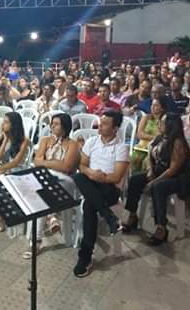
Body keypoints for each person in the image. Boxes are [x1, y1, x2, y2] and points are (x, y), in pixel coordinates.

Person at [72, 111, 130, 278]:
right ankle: (109, 217)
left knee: (89, 204)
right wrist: (92, 173)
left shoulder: (121, 147)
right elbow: (82, 165)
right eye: (100, 122)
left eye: (105, 124)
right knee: (79, 178)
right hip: (92, 182)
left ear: (115, 129)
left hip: (110, 188)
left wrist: (100, 177)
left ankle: (85, 257)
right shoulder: (92, 141)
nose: (100, 126)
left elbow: (116, 177)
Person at [122, 114, 190, 244]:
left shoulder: (178, 143)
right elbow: (149, 156)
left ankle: (161, 227)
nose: (159, 124)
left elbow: (173, 169)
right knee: (135, 180)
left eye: (162, 122)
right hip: (158, 171)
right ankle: (132, 215)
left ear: (170, 125)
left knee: (158, 187)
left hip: (177, 178)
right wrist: (150, 170)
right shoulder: (159, 138)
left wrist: (154, 181)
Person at [27, 113, 79, 258]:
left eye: (56, 124)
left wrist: (45, 163)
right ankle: (48, 222)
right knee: (41, 196)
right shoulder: (45, 140)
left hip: (65, 181)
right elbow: (36, 161)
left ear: (65, 127)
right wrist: (55, 164)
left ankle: (39, 235)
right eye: (52, 123)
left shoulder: (73, 144)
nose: (52, 126)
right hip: (45, 178)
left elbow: (67, 167)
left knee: (41, 193)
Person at [130, 98, 167, 173]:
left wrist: (149, 137)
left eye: (156, 105)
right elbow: (139, 134)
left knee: (146, 162)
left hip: (155, 149)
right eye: (152, 105)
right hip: (142, 147)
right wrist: (155, 138)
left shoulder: (165, 120)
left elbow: (164, 136)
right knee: (133, 159)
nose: (152, 107)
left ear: (162, 108)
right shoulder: (146, 117)